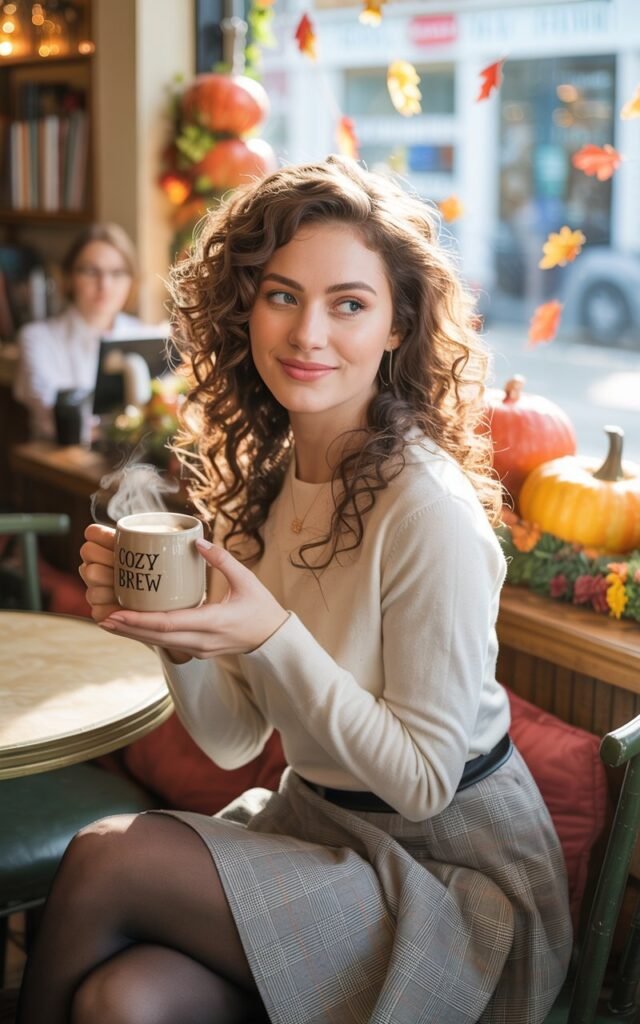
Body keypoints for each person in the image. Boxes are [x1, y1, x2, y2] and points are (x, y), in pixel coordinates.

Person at [17, 156, 573, 1024]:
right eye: (282, 296)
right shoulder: (265, 483)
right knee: (122, 1000)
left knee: (104, 855)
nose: (307, 333)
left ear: (397, 325)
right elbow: (236, 738)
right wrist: (173, 631)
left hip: (454, 878)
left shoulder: (426, 509)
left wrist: (269, 631)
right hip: (317, 830)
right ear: (245, 311)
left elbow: (423, 783)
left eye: (348, 303)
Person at [13, 222, 144, 440]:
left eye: (117, 273)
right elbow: (58, 418)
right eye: (92, 271)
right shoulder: (37, 339)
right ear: (69, 277)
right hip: (63, 466)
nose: (105, 284)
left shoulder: (142, 335)